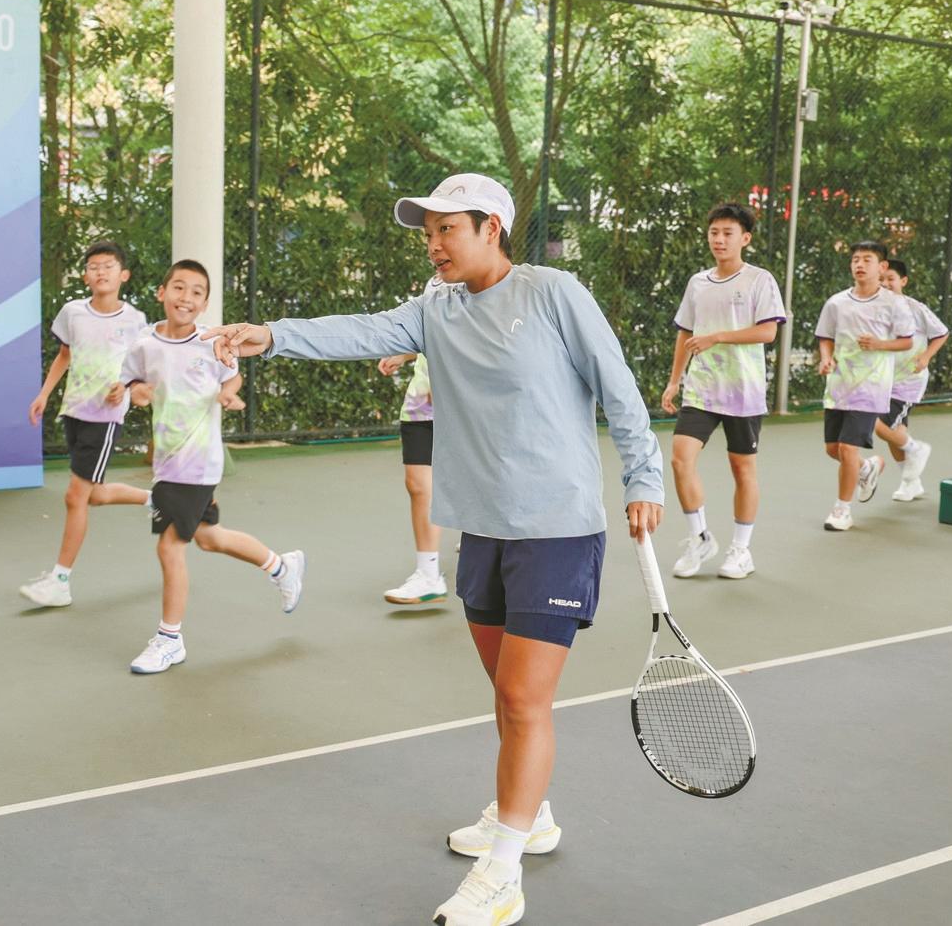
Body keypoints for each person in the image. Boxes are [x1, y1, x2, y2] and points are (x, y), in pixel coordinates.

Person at [204, 173, 663, 926]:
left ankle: (505, 869)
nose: (434, 242)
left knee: (523, 696)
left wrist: (644, 476)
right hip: (480, 526)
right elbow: (365, 330)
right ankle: (530, 811)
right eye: (428, 231)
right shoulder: (436, 307)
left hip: (556, 526)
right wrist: (273, 334)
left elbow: (618, 386)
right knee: (504, 691)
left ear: (491, 226)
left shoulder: (552, 291)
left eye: (447, 228)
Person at [105, 259, 305, 675]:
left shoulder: (210, 342)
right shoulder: (145, 344)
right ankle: (281, 566)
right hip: (167, 462)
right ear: (162, 293)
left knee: (169, 545)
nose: (187, 297)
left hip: (197, 463)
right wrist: (134, 391)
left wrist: (228, 394)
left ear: (205, 303)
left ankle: (169, 639)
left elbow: (232, 377)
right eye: (179, 288)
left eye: (197, 292)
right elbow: (128, 383)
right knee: (210, 538)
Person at [21, 241, 152, 608]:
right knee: (93, 494)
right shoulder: (73, 313)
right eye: (94, 266)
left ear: (123, 275)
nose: (101, 272)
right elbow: (64, 355)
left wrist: (123, 388)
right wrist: (45, 394)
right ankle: (156, 500)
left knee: (74, 496)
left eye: (108, 266)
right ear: (85, 275)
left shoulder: (135, 320)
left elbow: (141, 369)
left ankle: (60, 581)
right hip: (74, 410)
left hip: (105, 417)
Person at [659, 202, 786, 580]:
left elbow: (768, 331)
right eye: (714, 232)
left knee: (741, 468)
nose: (719, 239)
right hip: (701, 389)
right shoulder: (698, 282)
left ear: (744, 239)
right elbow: (685, 332)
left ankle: (740, 550)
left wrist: (718, 337)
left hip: (743, 392)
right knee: (681, 459)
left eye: (727, 233)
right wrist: (674, 379)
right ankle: (700, 538)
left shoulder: (760, 280)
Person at [814, 240, 916, 531]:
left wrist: (880, 344)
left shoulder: (894, 303)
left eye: (867, 260)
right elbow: (825, 336)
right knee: (833, 449)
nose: (859, 264)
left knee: (847, 449)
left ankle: (841, 510)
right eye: (856, 259)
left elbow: (907, 340)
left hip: (871, 389)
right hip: (838, 387)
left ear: (882, 266)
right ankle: (868, 467)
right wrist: (826, 359)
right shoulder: (836, 302)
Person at [379, 274, 449, 604]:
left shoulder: (489, 283)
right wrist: (403, 354)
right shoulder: (434, 284)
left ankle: (492, 546)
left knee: (483, 482)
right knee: (418, 484)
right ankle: (429, 573)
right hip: (423, 403)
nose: (435, 243)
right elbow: (428, 334)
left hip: (471, 407)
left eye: (445, 230)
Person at [875, 259, 947, 500]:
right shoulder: (874, 309)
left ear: (903, 281)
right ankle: (911, 482)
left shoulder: (915, 308)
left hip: (907, 382)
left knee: (879, 425)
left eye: (890, 279)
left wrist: (926, 356)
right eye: (881, 280)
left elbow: (942, 333)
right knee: (895, 432)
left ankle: (916, 449)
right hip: (882, 380)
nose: (885, 284)